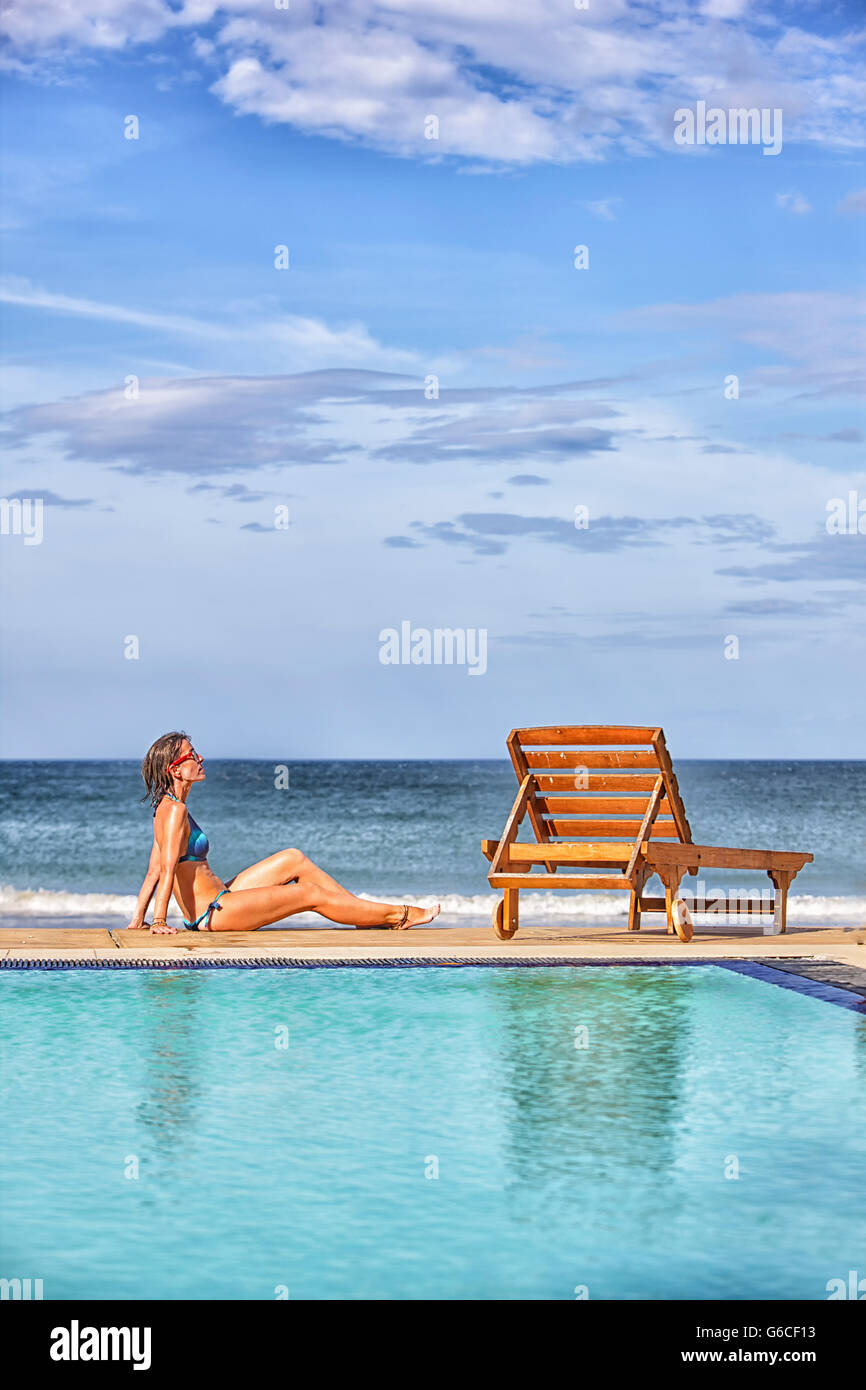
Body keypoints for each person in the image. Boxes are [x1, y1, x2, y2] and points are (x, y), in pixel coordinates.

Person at [126, 731, 440, 934]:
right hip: (213, 914)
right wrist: (158, 922)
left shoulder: (167, 808)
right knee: (309, 894)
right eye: (193, 755)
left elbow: (153, 869)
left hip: (221, 898)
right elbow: (165, 871)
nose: (200, 758)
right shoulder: (174, 811)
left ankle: (360, 915)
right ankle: (399, 914)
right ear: (176, 770)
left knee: (293, 859)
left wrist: (138, 918)